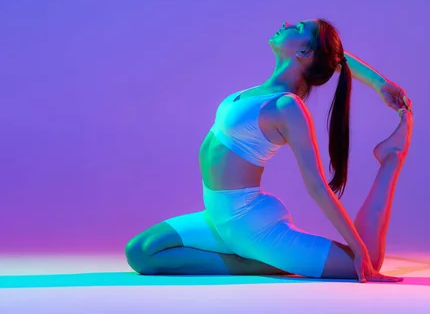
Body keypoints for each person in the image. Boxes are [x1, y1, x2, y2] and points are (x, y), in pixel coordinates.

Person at [125, 19, 414, 283]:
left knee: (364, 263)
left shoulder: (287, 107)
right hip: (218, 217)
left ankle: (391, 159)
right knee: (140, 252)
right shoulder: (255, 92)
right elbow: (332, 56)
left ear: (303, 53)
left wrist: (357, 247)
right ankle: (259, 262)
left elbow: (316, 186)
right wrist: (379, 84)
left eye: (298, 28)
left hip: (252, 228)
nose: (288, 24)